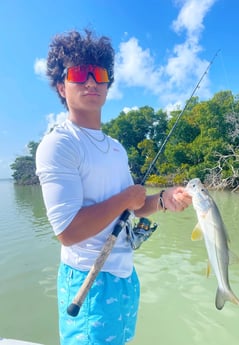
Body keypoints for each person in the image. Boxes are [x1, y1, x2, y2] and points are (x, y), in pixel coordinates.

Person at [36, 29, 192, 345]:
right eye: (80, 73)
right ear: (61, 87)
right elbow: (68, 231)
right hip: (87, 280)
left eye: (100, 74)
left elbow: (135, 205)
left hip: (124, 275)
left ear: (108, 83)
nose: (92, 81)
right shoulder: (59, 144)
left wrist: (163, 199)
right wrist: (125, 198)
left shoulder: (116, 148)